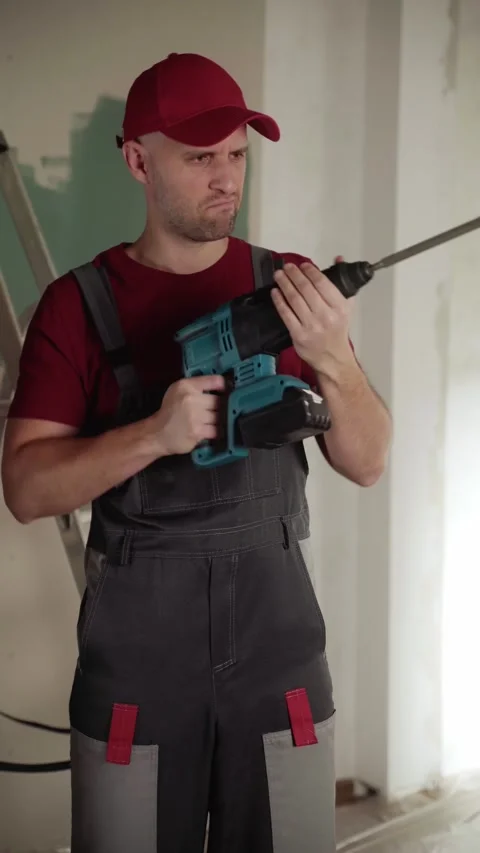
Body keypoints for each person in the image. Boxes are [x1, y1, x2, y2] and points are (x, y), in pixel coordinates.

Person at [1, 52, 391, 853]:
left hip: (281, 668)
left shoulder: (290, 290)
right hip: (137, 680)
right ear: (138, 161)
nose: (226, 178)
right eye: (200, 157)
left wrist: (336, 358)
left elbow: (370, 459)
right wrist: (153, 435)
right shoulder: (76, 307)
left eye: (239, 155)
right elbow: (27, 489)